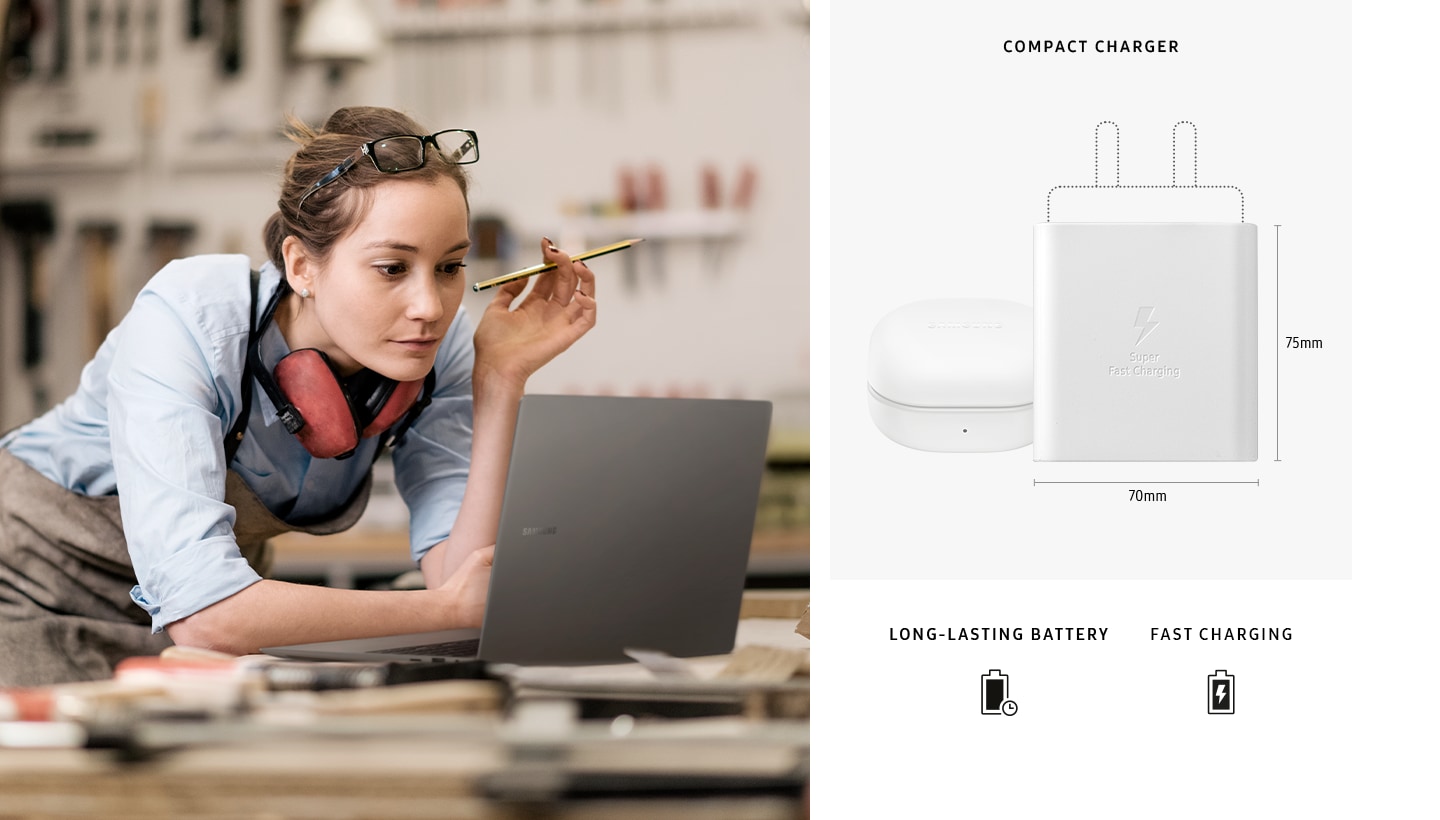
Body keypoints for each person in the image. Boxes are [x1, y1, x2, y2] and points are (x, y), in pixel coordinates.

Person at [0, 106, 597, 686]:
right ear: (301, 266)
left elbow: (462, 579)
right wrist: (444, 615)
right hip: (26, 585)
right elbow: (206, 614)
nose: (431, 308)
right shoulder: (191, 316)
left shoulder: (445, 347)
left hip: (197, 626)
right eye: (392, 267)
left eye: (449, 267)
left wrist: (499, 383)